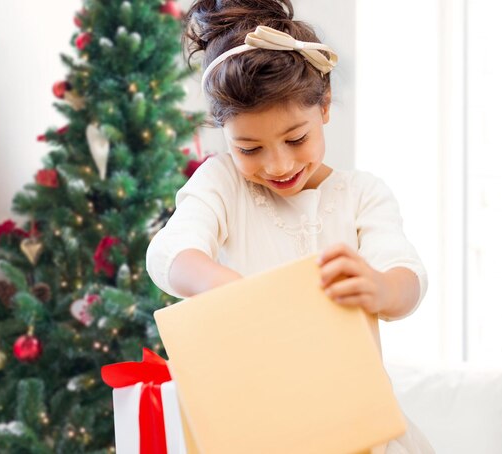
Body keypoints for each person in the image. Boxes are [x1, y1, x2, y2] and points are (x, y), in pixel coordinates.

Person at [146, 1, 435, 452]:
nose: (278, 164)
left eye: (295, 139)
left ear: (324, 105)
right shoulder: (223, 184)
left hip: (355, 430)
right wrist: (233, 291)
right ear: (223, 134)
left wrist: (380, 288)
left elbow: (408, 278)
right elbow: (169, 254)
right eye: (249, 148)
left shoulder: (361, 195)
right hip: (257, 428)